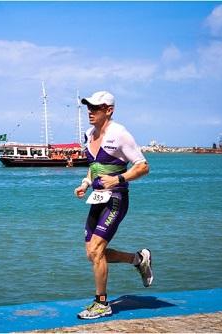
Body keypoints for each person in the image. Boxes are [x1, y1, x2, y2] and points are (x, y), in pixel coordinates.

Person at [74, 91, 153, 320]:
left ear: (109, 110)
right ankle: (138, 259)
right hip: (98, 198)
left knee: (97, 250)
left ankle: (101, 304)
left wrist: (119, 179)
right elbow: (95, 165)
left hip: (116, 199)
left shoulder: (120, 134)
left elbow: (143, 166)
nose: (90, 111)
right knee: (92, 254)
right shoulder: (89, 133)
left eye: (96, 108)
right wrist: (86, 183)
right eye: (89, 107)